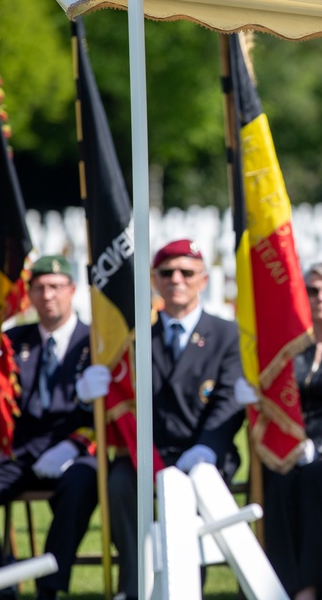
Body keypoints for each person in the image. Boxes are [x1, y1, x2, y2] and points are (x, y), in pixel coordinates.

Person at [0, 255, 108, 600]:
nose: (48, 295)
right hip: (19, 452)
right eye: (39, 288)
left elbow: (110, 412)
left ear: (72, 290)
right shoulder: (13, 339)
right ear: (30, 295)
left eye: (55, 287)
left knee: (84, 481)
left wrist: (76, 437)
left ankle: (48, 583)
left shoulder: (95, 341)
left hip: (75, 447)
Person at [106, 239, 245, 600]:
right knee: (119, 482)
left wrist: (206, 447)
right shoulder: (136, 337)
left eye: (187, 272)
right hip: (149, 453)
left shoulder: (227, 333)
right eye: (167, 273)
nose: (176, 280)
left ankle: (186, 588)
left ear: (203, 279)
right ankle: (135, 586)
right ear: (155, 280)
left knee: (188, 489)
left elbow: (228, 399)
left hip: (204, 452)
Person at [246, 262, 322, 600]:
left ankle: (310, 589)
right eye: (312, 290)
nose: (320, 298)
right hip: (293, 446)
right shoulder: (294, 348)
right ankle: (279, 586)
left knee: (314, 477)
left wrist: (320, 446)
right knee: (277, 479)